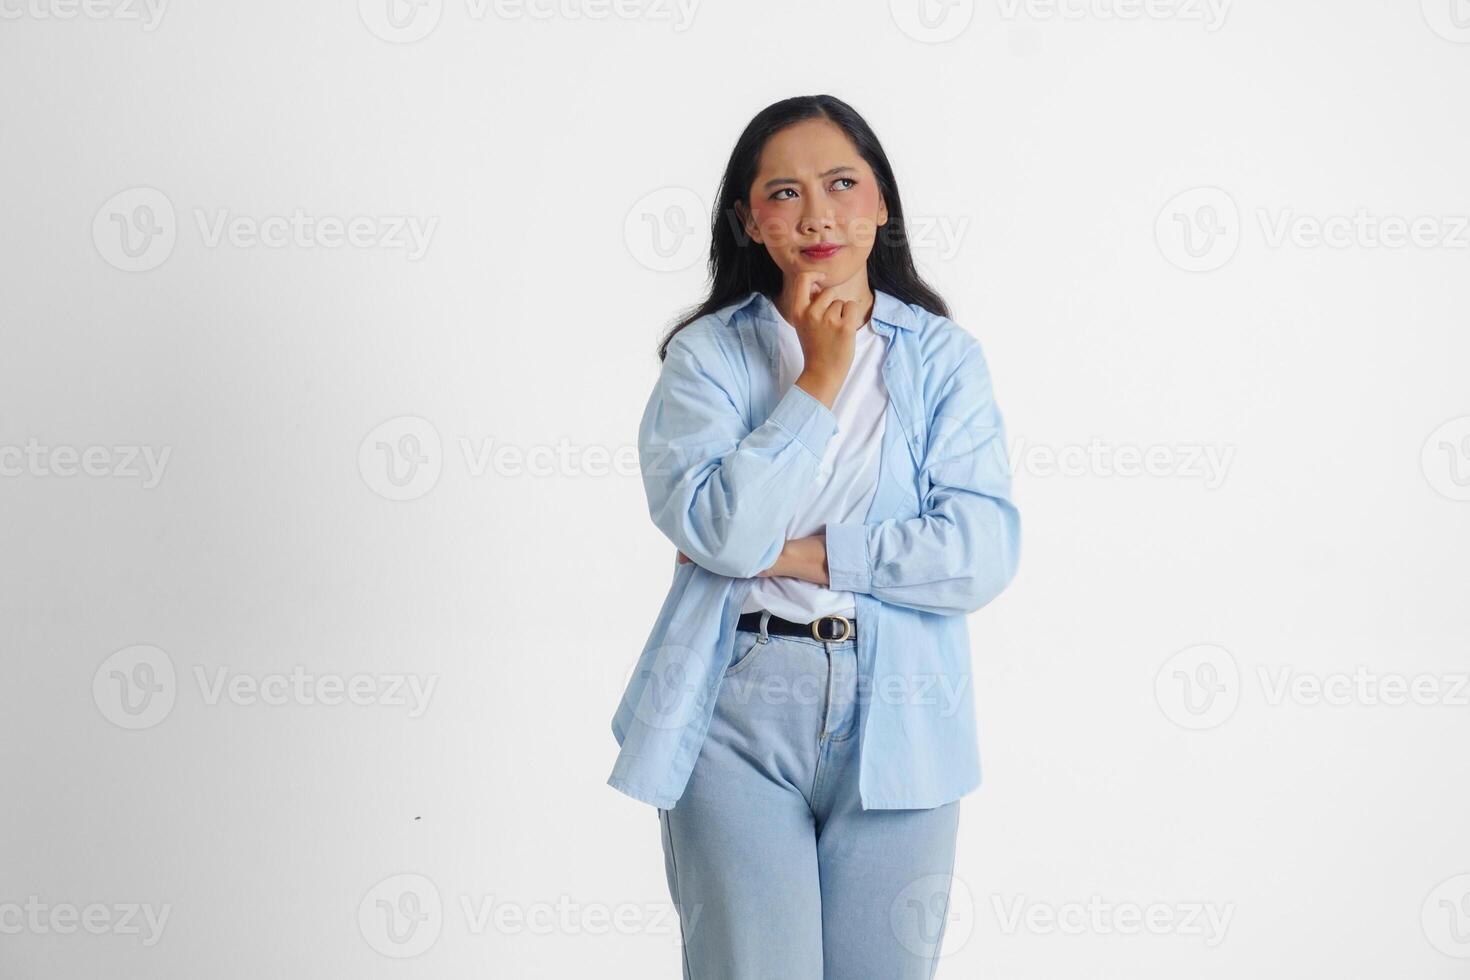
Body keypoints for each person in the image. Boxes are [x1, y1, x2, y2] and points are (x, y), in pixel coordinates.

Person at [608, 93, 1021, 979]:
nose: (820, 213)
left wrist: (797, 554)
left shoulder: (944, 359)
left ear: (882, 205)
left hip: (904, 705)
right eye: (785, 193)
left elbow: (980, 552)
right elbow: (722, 529)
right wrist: (820, 378)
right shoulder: (710, 358)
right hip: (738, 704)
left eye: (842, 183)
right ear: (749, 221)